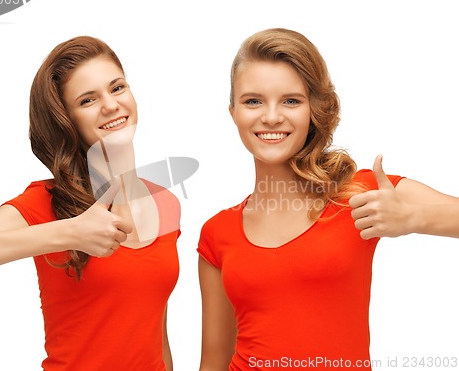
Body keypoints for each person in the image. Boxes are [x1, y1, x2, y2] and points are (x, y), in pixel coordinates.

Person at [197, 28, 459, 371]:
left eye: (291, 100)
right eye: (253, 101)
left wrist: (413, 218)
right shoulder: (217, 232)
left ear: (314, 110)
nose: (272, 116)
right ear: (233, 112)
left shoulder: (360, 193)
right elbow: (214, 359)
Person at [0, 36, 181, 370]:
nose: (110, 105)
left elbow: (154, 330)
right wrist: (69, 233)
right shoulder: (45, 202)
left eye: (117, 88)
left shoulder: (166, 203)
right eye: (88, 99)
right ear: (67, 119)